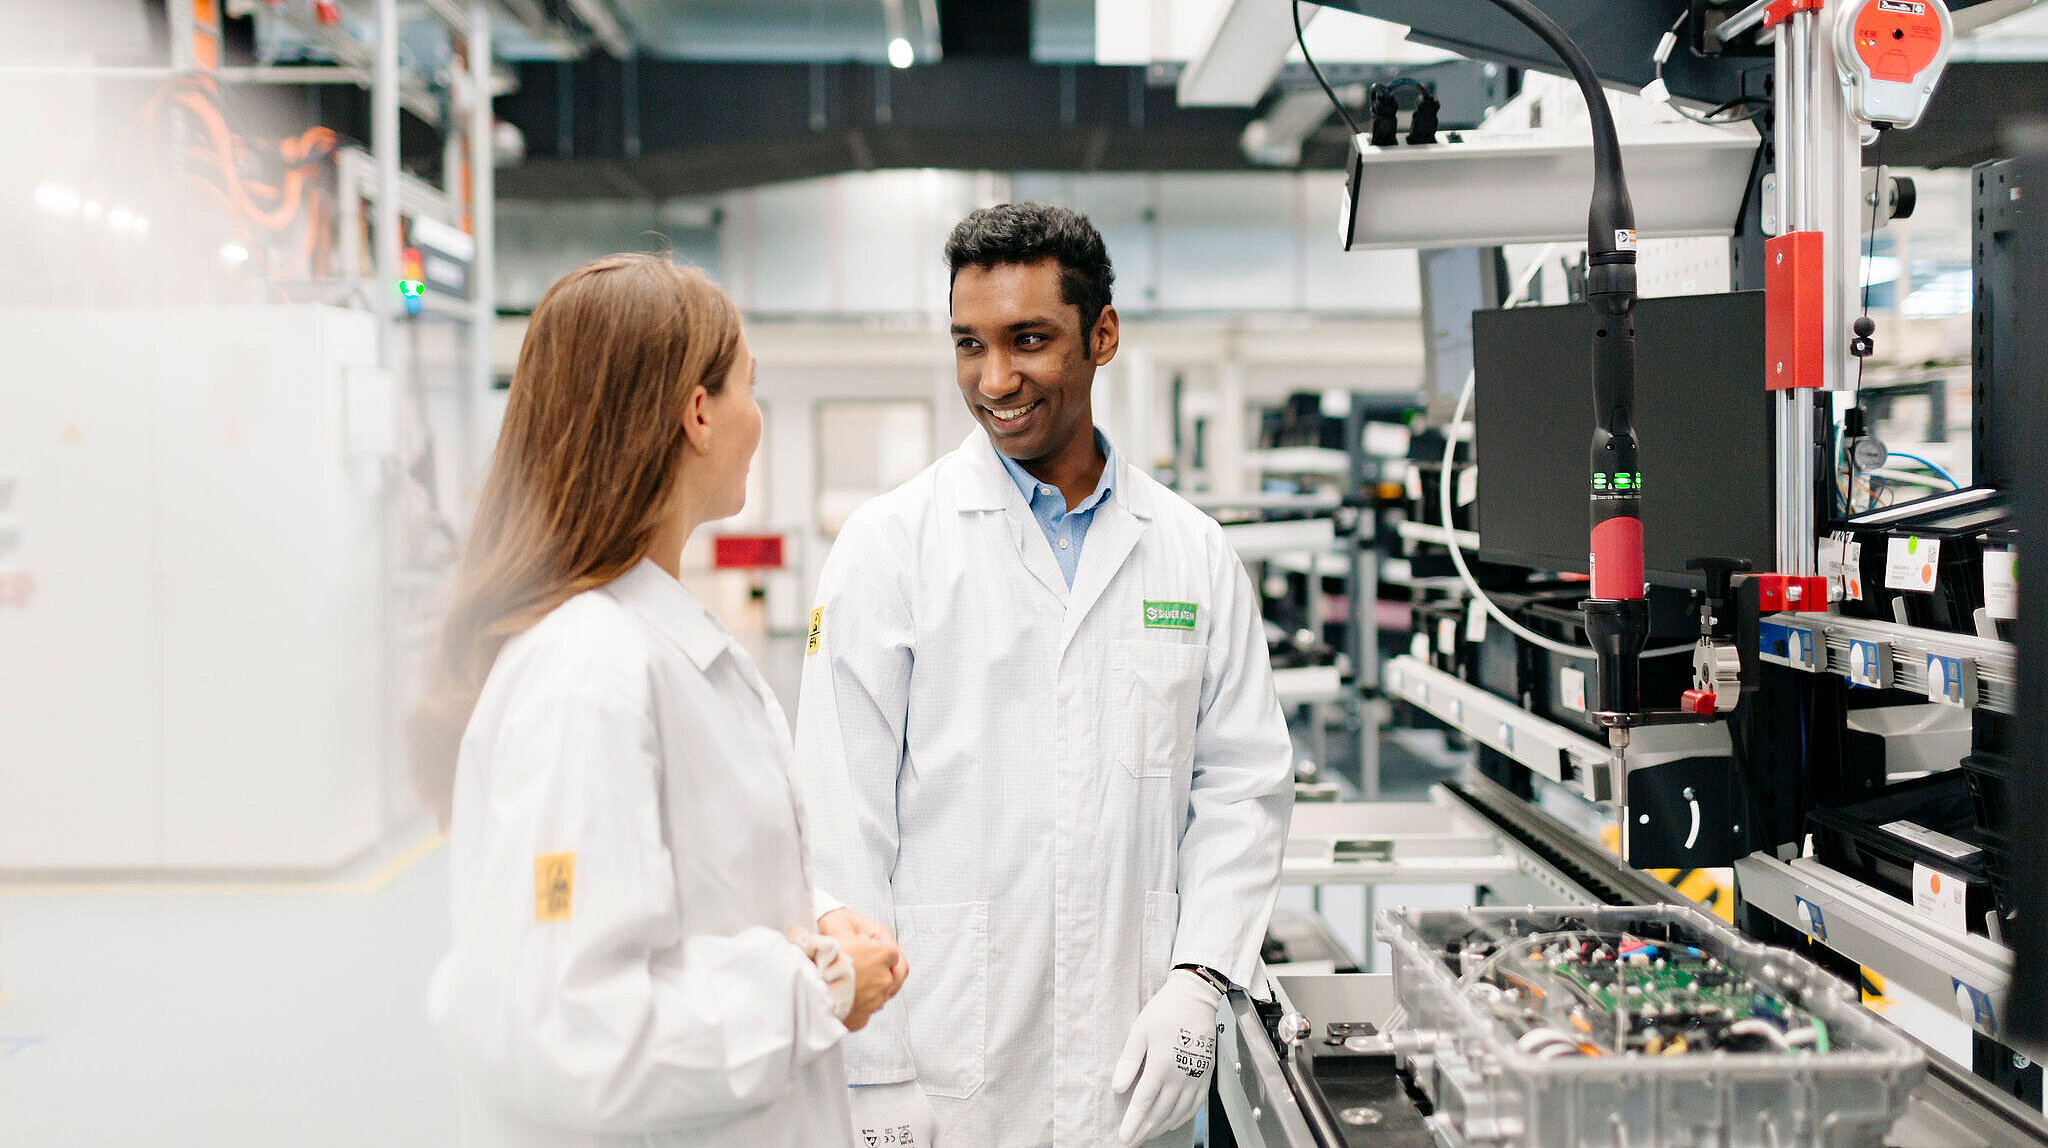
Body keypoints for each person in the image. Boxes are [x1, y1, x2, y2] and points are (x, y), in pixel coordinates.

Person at [793, 204, 1294, 1147]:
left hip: (1132, 1063)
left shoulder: (1191, 555)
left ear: (1102, 336)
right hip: (945, 1073)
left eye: (1030, 340)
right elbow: (837, 818)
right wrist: (875, 1069)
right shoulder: (889, 548)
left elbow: (1243, 787)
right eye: (969, 345)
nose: (996, 379)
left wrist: (1199, 981)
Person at [411, 254, 904, 1148]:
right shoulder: (589, 676)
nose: (758, 416)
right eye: (750, 386)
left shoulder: (651, 647)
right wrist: (818, 988)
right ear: (699, 413)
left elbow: (678, 886)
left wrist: (807, 910)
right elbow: (571, 1031)